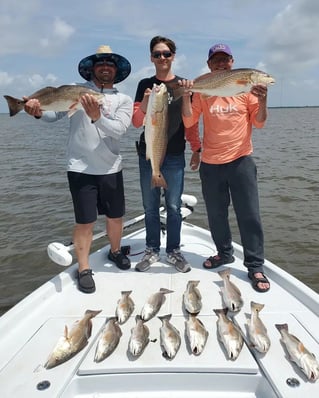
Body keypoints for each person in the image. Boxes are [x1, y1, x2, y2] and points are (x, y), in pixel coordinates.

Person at [24, 45, 133, 294]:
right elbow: (54, 116)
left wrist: (97, 116)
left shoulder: (123, 100)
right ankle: (84, 267)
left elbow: (119, 130)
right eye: (100, 63)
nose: (105, 66)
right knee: (85, 221)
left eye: (110, 63)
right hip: (80, 168)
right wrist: (37, 112)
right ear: (92, 69)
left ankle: (115, 252)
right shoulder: (75, 91)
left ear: (116, 71)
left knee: (116, 217)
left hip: (111, 167)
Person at [180, 43, 270, 292]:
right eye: (216, 60)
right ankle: (224, 253)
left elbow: (259, 124)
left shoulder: (247, 88)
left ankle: (255, 266)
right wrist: (186, 95)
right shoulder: (203, 85)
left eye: (225, 60)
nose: (221, 64)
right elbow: (189, 120)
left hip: (241, 160)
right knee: (216, 215)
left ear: (233, 62)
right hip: (211, 163)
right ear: (209, 64)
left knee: (249, 215)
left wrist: (263, 101)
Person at [132, 35, 200, 273]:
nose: (162, 58)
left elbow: (190, 122)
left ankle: (173, 251)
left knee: (173, 207)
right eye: (157, 54)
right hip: (148, 154)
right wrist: (145, 102)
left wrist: (186, 97)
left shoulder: (183, 84)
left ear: (173, 56)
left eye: (166, 54)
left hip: (174, 156)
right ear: (151, 57)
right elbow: (136, 122)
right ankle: (152, 249)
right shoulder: (144, 85)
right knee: (150, 207)